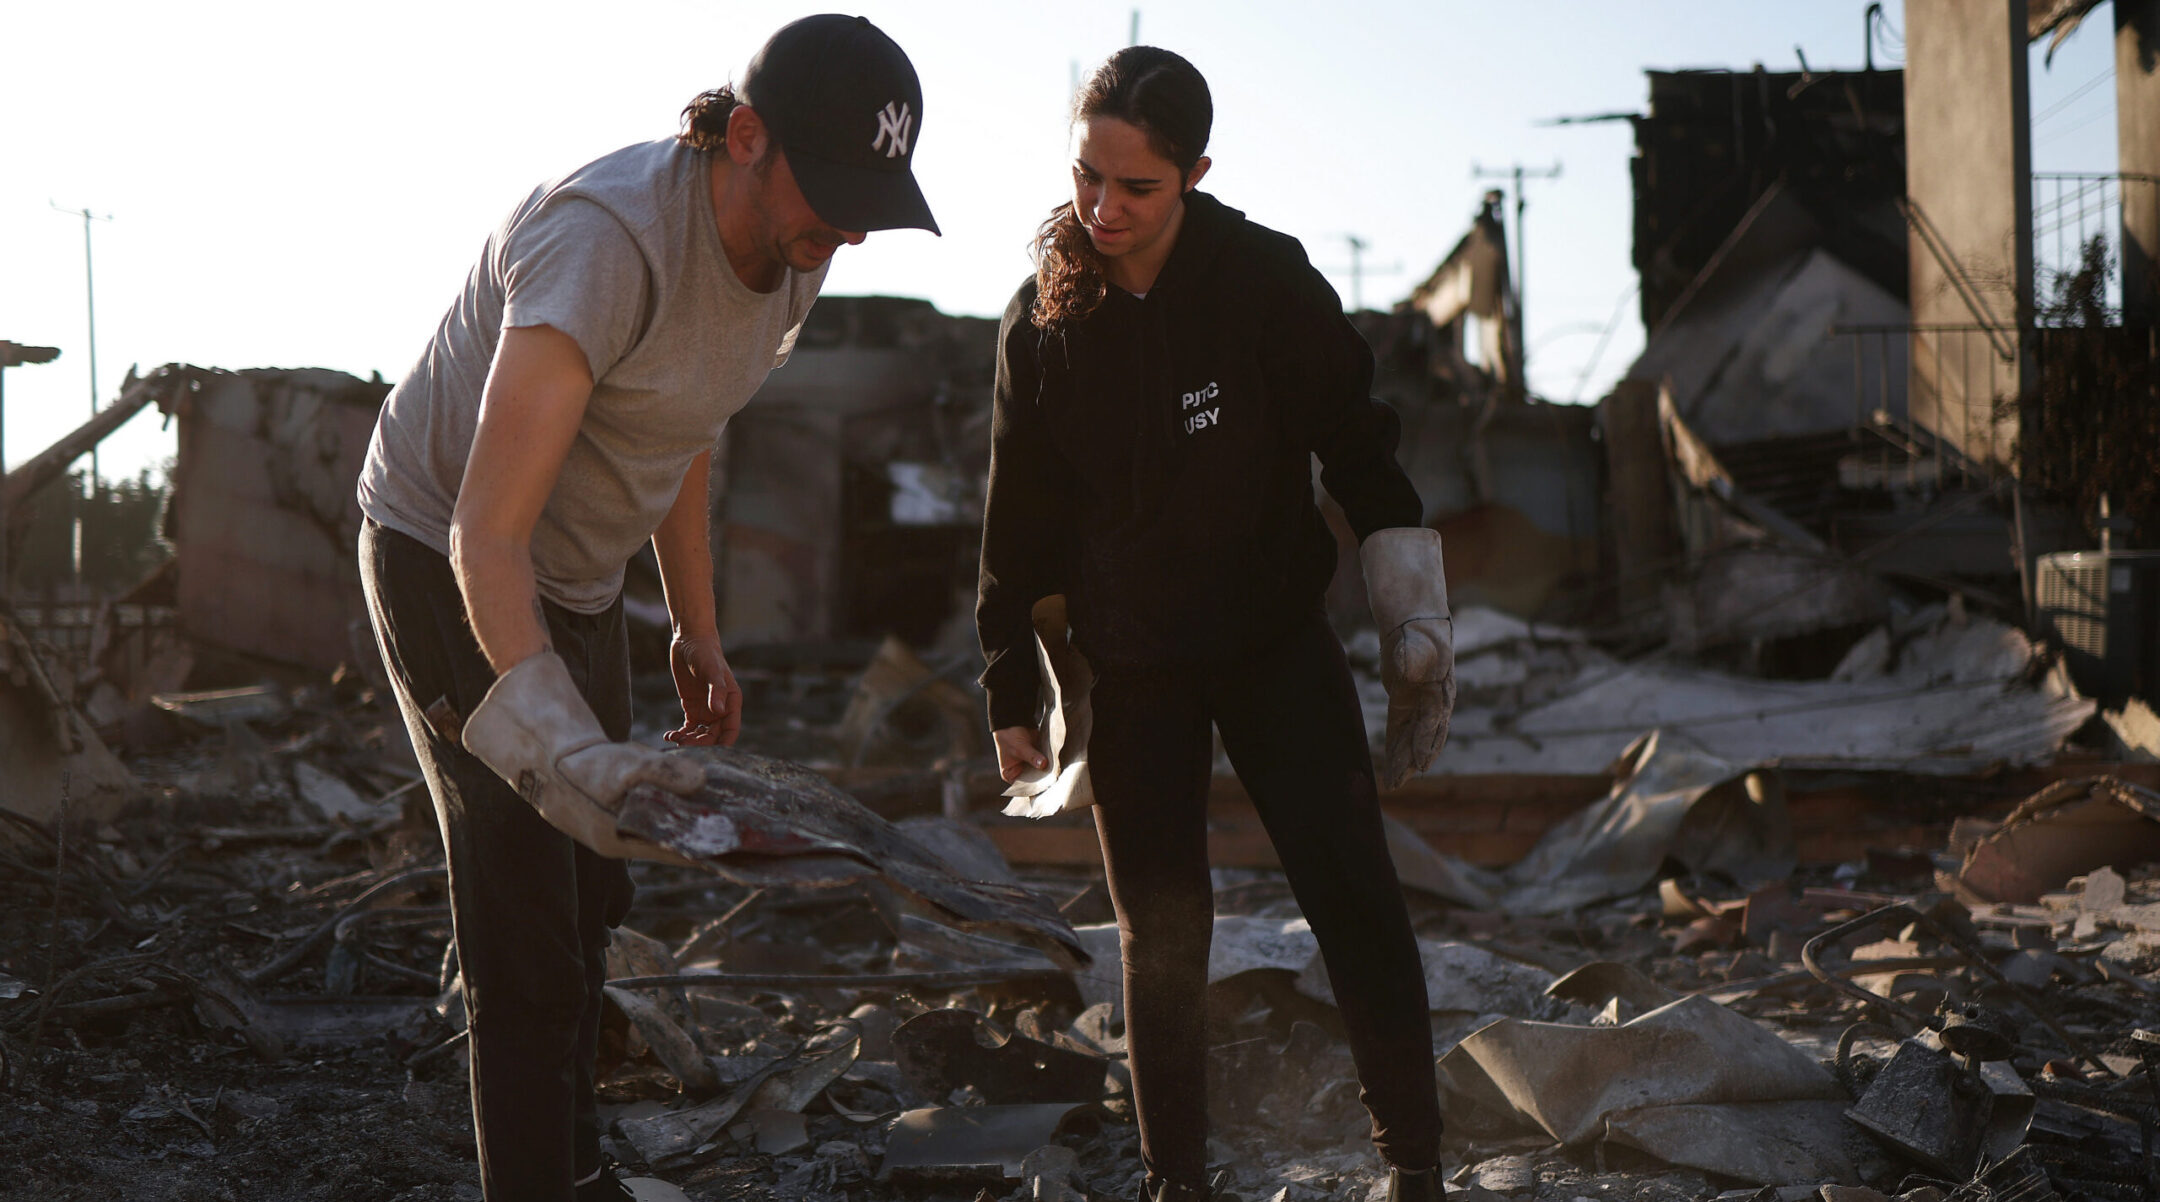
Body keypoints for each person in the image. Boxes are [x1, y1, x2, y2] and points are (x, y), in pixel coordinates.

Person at [353, 16, 937, 1201]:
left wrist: (694, 623)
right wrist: (559, 743)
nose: (851, 229)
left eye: (871, 199)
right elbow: (485, 531)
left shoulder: (799, 248)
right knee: (526, 913)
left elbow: (691, 420)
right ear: (746, 137)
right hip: (442, 550)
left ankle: (577, 1168)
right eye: (831, 193)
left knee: (596, 887)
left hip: (572, 576)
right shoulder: (604, 243)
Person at [975, 46, 1457, 1202]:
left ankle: (1417, 1170)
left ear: (1195, 173)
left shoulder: (1263, 282)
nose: (1102, 208)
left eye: (1135, 187)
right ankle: (1175, 1182)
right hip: (1131, 665)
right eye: (1088, 176)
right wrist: (1010, 687)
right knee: (1162, 935)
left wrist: (1411, 616)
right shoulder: (1043, 320)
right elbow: (1017, 521)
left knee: (1353, 892)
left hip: (1273, 644)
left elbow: (1360, 441)